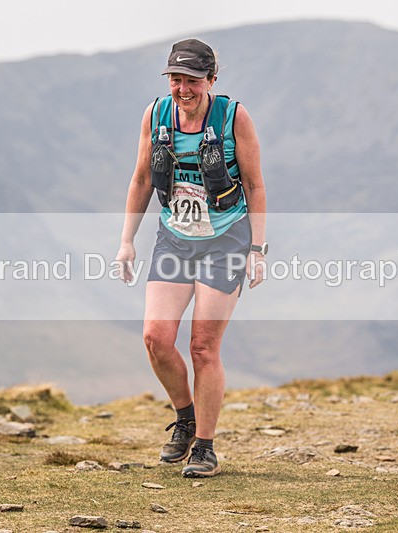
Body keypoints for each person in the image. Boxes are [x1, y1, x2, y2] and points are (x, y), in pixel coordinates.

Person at [115, 38, 267, 477]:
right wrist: (126, 240)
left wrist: (257, 248)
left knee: (203, 347)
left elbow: (255, 186)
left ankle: (205, 447)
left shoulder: (234, 117)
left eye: (192, 81)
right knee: (156, 338)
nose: (183, 89)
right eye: (176, 80)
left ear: (211, 80)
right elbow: (142, 178)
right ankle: (185, 418)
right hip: (175, 239)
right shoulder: (156, 114)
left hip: (226, 240)